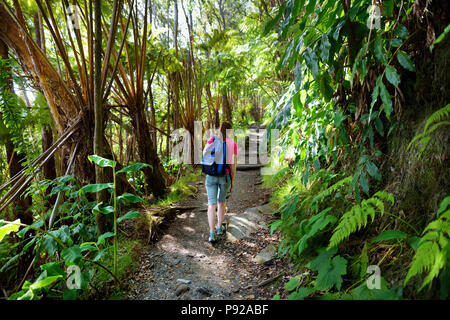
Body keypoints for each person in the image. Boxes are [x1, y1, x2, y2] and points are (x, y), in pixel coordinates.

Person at [203, 121, 237, 242]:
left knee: (211, 204)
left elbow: (204, 154)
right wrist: (232, 181)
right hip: (225, 176)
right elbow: (232, 165)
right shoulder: (233, 144)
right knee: (221, 202)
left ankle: (212, 234)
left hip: (211, 175)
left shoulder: (212, 139)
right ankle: (219, 227)